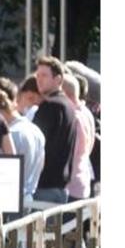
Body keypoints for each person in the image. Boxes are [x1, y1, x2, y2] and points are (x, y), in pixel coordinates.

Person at [0, 78, 45, 211]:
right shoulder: (35, 130)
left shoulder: (11, 135)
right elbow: (41, 164)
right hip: (29, 197)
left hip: (11, 200)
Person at [31, 56, 77, 205]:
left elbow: (35, 147)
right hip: (61, 187)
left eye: (44, 75)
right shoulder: (69, 105)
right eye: (37, 75)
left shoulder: (50, 106)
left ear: (58, 80)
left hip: (44, 186)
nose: (39, 79)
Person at [63, 74, 95, 202]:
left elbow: (69, 153)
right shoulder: (86, 113)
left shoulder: (73, 117)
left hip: (71, 186)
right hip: (81, 181)